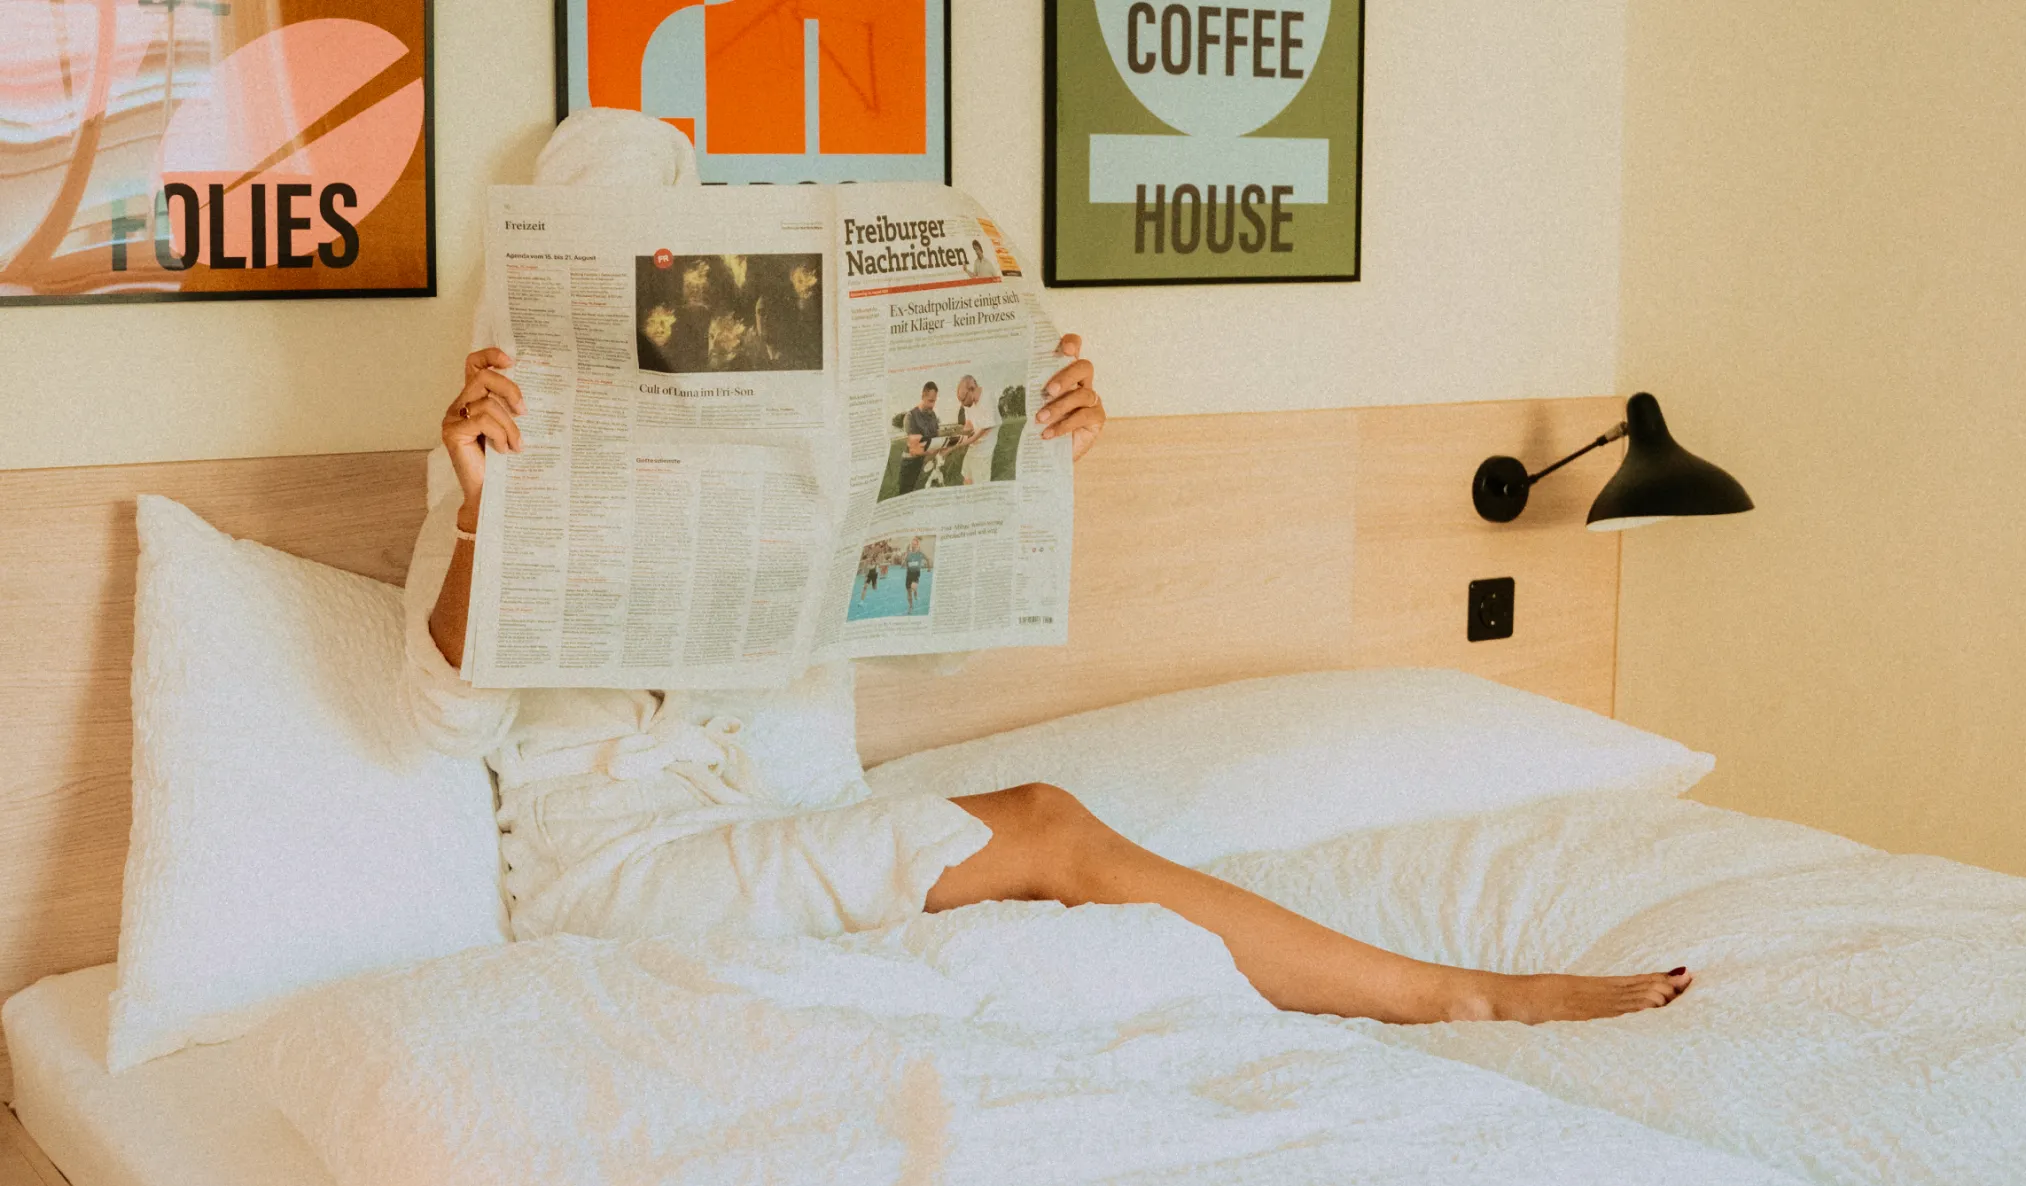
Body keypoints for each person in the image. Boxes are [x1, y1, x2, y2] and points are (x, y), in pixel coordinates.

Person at [413, 108, 1692, 1026]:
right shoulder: (493, 446)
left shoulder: (775, 416)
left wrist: (1029, 454)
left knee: (1039, 837)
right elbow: (437, 713)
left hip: (795, 811)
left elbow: (920, 617)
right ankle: (1455, 993)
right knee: (1044, 823)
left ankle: (1438, 989)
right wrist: (483, 512)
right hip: (625, 868)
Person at [898, 381, 945, 494]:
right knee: (907, 498)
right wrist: (932, 450)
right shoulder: (910, 417)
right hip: (910, 466)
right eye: (930, 401)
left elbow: (936, 437)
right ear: (923, 396)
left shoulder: (933, 415)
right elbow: (914, 449)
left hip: (927, 463)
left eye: (934, 401)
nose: (932, 405)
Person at [953, 375, 995, 486]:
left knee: (980, 485)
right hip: (973, 448)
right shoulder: (968, 404)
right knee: (967, 478)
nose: (962, 404)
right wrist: (961, 436)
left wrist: (964, 443)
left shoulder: (987, 398)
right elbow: (969, 423)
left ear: (971, 389)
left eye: (963, 399)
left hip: (984, 451)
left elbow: (983, 431)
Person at [903, 536, 931, 612]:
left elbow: (928, 559)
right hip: (909, 574)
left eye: (915, 544)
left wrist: (929, 568)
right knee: (908, 592)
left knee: (912, 589)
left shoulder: (920, 554)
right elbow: (905, 564)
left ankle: (915, 591)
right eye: (912, 544)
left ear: (917, 545)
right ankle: (911, 606)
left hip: (916, 574)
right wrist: (904, 559)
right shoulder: (908, 554)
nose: (913, 545)